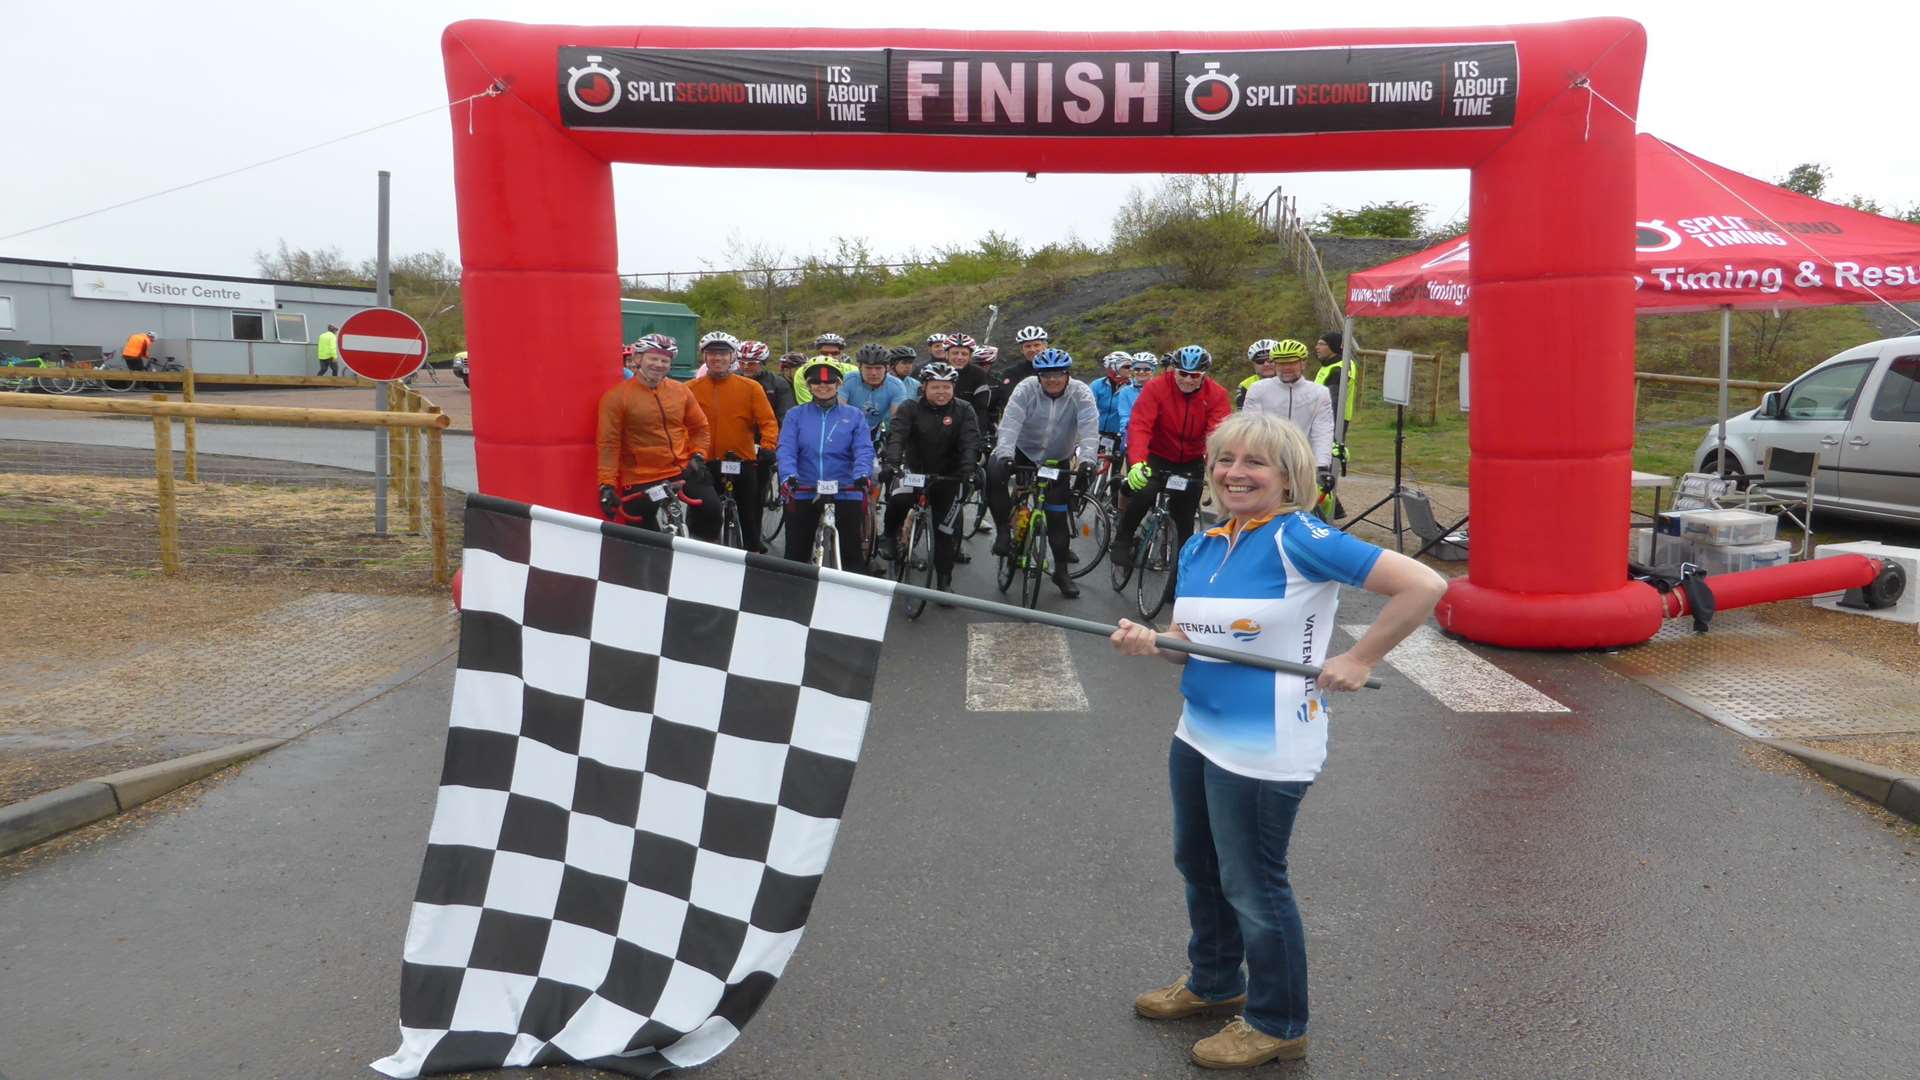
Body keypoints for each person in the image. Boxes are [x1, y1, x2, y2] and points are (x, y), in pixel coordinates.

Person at [1110, 411, 1445, 1070]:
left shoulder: (1300, 537)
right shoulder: (1203, 544)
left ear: (1288, 476)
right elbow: (1190, 647)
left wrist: (1362, 657)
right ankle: (1213, 981)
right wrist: (1151, 644)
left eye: (1255, 463)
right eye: (1226, 460)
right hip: (1198, 730)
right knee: (1199, 867)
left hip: (1267, 744)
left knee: (1254, 884)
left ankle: (1278, 1020)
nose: (1237, 473)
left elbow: (1424, 584)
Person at [987, 346, 1098, 598]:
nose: (1052, 380)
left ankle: (1061, 572)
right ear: (1038, 376)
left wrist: (1088, 461)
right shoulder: (1026, 388)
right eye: (1046, 375)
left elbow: (1090, 429)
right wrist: (1004, 455)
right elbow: (1011, 423)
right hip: (1022, 449)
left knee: (1057, 516)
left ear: (1067, 374)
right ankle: (1004, 530)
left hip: (1056, 457)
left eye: (1057, 374)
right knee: (993, 470)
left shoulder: (1081, 393)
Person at [1113, 345, 1231, 572]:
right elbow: (1140, 425)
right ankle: (1123, 539)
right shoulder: (1156, 387)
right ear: (1173, 370)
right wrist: (1137, 462)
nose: (1187, 380)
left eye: (1194, 375)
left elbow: (1218, 435)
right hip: (1158, 454)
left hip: (1191, 459)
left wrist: (1215, 467)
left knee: (1184, 520)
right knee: (1145, 492)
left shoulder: (1216, 395)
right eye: (1182, 374)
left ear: (1203, 375)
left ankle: (1178, 578)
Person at [596, 333, 721, 540]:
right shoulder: (616, 398)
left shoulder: (680, 391)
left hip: (681, 468)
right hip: (642, 475)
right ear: (638, 359)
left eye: (665, 360)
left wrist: (698, 455)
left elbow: (700, 428)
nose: (659, 365)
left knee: (713, 510)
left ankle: (700, 554)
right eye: (653, 358)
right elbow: (609, 444)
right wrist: (606, 485)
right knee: (641, 535)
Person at [877, 362, 981, 592]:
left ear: (953, 387)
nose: (941, 392)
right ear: (924, 387)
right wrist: (892, 462)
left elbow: (970, 442)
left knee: (946, 532)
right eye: (935, 387)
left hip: (948, 477)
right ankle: (890, 535)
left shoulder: (964, 410)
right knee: (899, 499)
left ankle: (944, 582)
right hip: (915, 471)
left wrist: (968, 469)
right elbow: (898, 437)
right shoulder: (909, 407)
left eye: (946, 387)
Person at [777, 359, 874, 572]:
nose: (823, 386)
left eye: (829, 382)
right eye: (816, 383)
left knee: (852, 554)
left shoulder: (854, 415)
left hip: (846, 488)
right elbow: (786, 449)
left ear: (838, 384)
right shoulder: (795, 415)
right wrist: (788, 476)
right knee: (795, 554)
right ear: (809, 386)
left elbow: (863, 449)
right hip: (804, 488)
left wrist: (862, 473)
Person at [688, 334, 780, 552]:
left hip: (741, 458)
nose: (717, 358)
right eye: (712, 354)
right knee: (701, 510)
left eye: (722, 354)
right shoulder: (690, 388)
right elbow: (680, 425)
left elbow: (768, 421)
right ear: (704, 357)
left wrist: (768, 446)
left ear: (732, 357)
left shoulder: (750, 388)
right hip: (704, 460)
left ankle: (752, 552)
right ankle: (697, 549)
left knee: (750, 508)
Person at [1242, 339, 1334, 477]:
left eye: (1291, 363)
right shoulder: (1258, 389)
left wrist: (1321, 466)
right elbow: (1250, 428)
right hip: (1267, 462)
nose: (1286, 368)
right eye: (1280, 363)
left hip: (1303, 461)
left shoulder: (1319, 392)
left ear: (1303, 363)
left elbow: (1322, 431)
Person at [1312, 331, 1357, 474]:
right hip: (1320, 419)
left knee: (1324, 464)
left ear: (1333, 346)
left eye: (1322, 344)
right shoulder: (1328, 365)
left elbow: (1333, 401)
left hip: (1333, 420)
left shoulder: (1340, 368)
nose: (1317, 347)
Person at [843, 342, 912, 434]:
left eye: (878, 368)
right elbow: (839, 412)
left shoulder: (896, 386)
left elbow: (898, 420)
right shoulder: (848, 379)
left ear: (887, 368)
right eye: (868, 368)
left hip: (874, 431)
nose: (873, 373)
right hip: (847, 428)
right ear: (860, 368)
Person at [992, 324, 1050, 421]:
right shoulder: (1012, 373)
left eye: (1036, 345)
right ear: (1022, 350)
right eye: (1028, 346)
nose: (1032, 349)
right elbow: (1008, 400)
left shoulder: (1056, 369)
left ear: (1045, 346)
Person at [739, 340, 795, 420]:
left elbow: (786, 415)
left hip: (769, 429)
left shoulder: (778, 383)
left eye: (751, 363)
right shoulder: (731, 380)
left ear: (762, 363)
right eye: (741, 363)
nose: (745, 367)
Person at [1092, 351, 1133, 446]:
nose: (1131, 369)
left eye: (1132, 366)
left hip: (1122, 435)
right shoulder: (1097, 385)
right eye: (1126, 367)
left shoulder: (1133, 388)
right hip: (1096, 433)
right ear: (1114, 368)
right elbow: (1087, 410)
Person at [1234, 339, 1281, 409]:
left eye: (1270, 360)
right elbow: (1243, 415)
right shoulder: (1245, 385)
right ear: (1253, 364)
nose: (1266, 364)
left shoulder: (1292, 380)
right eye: (1260, 361)